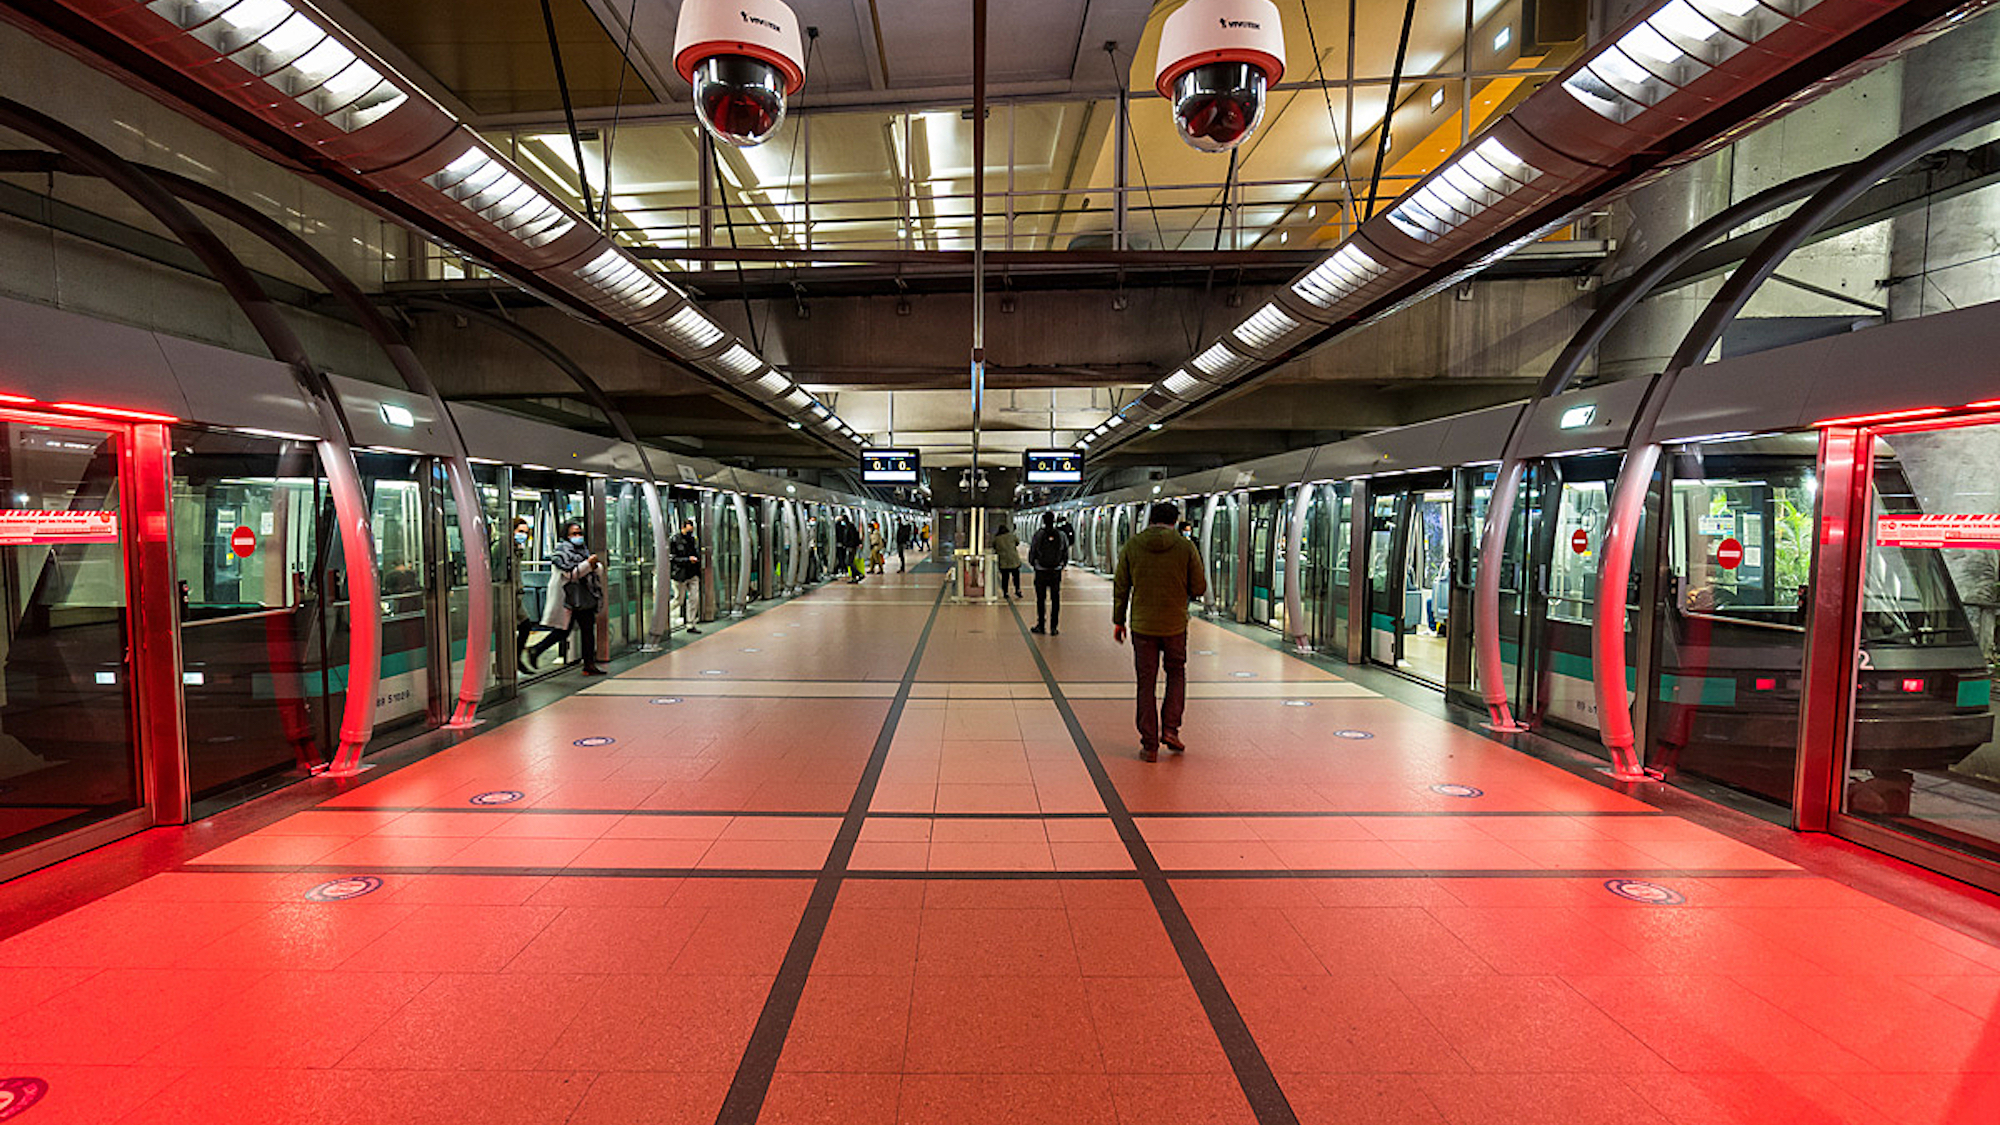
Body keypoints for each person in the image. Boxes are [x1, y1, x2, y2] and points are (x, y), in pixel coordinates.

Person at [1113, 501, 1206, 762]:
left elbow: (1121, 586)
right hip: (1175, 624)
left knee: (1146, 682)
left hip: (1143, 626)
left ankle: (1149, 745)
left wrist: (1118, 621)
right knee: (1176, 673)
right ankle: (1171, 730)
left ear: (1150, 520)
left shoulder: (1133, 545)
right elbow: (1199, 587)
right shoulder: (1185, 546)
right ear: (1175, 522)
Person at [530, 521, 606, 676]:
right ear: (566, 535)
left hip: (584, 597)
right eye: (574, 534)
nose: (578, 537)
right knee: (563, 631)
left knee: (587, 631)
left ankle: (589, 664)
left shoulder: (584, 551)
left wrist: (593, 565)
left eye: (579, 533)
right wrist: (588, 564)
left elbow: (596, 571)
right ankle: (536, 649)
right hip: (568, 599)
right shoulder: (560, 553)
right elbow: (571, 574)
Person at [1028, 511, 1068, 635]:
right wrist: (1061, 565)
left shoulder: (1039, 534)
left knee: (1041, 599)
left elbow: (1033, 551)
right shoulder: (1061, 535)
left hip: (1041, 571)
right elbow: (1065, 552)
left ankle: (1041, 625)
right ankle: (1054, 627)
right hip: (1055, 571)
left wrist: (1034, 564)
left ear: (1043, 521)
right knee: (1055, 599)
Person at [667, 517, 702, 635]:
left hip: (692, 574)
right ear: (682, 528)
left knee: (694, 599)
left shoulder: (693, 540)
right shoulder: (674, 540)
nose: (690, 532)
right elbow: (672, 558)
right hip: (680, 575)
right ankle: (663, 615)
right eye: (688, 530)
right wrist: (687, 559)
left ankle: (691, 624)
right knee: (679, 600)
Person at [991, 522, 1023, 598]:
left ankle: (1005, 592)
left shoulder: (997, 539)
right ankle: (1017, 590)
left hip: (1003, 561)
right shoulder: (1012, 536)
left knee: (1005, 578)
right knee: (1016, 577)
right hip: (1014, 560)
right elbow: (1017, 543)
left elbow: (994, 547)